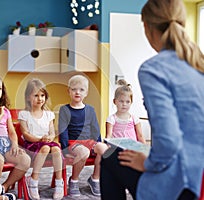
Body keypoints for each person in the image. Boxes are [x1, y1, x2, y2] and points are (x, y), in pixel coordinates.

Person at [100, 0, 204, 199]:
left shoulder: (153, 69)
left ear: (147, 27)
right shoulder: (199, 63)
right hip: (200, 176)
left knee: (108, 155)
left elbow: (169, 141)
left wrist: (148, 163)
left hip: (183, 182)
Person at [58, 75, 108, 197]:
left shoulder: (90, 109)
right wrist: (64, 148)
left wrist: (98, 143)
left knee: (105, 149)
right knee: (84, 152)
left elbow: (95, 129)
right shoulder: (65, 109)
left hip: (89, 141)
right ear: (68, 91)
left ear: (86, 93)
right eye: (74, 89)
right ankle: (74, 180)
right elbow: (63, 131)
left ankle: (95, 179)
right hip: (73, 142)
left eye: (81, 90)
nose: (77, 92)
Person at [18, 78, 64, 200]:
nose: (40, 98)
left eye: (42, 95)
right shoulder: (24, 114)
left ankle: (59, 182)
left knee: (56, 150)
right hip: (31, 145)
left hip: (47, 143)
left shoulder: (49, 114)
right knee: (44, 148)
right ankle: (33, 180)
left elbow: (52, 131)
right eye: (36, 95)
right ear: (28, 97)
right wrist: (40, 139)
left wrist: (50, 137)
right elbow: (26, 134)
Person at [106, 79, 146, 143]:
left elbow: (140, 136)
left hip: (132, 149)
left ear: (131, 102)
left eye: (127, 102)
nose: (124, 104)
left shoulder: (134, 119)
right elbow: (108, 136)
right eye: (121, 101)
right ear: (114, 101)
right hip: (118, 149)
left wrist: (145, 150)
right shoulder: (111, 119)